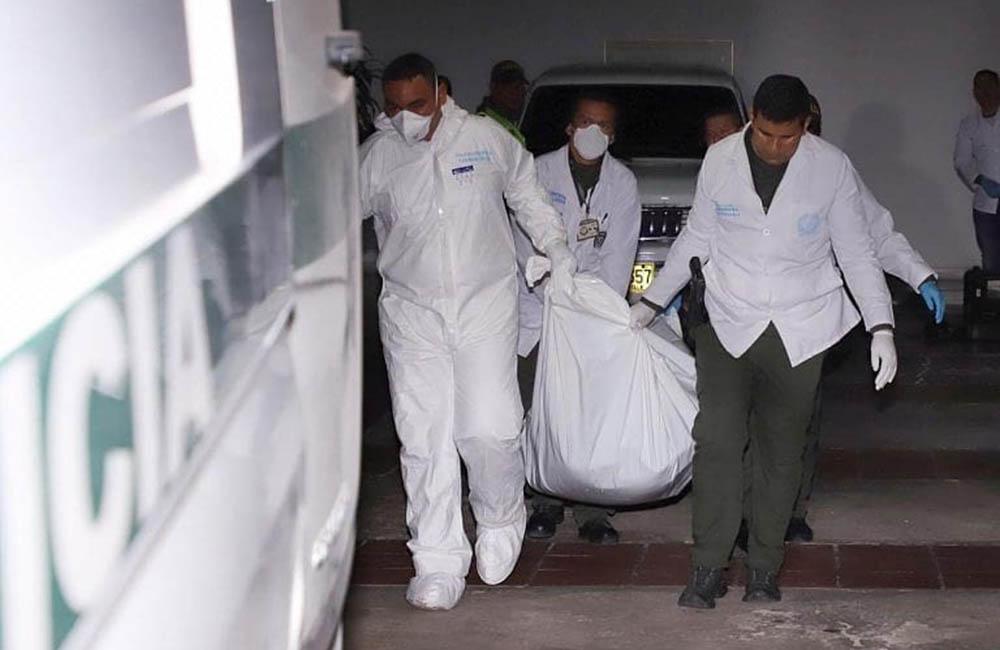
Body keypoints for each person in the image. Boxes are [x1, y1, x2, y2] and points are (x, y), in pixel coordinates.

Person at [630, 75, 898, 608]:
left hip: (801, 325)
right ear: (752, 116)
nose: (775, 147)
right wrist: (652, 300)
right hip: (728, 320)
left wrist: (881, 326)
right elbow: (697, 236)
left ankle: (763, 568)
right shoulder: (720, 159)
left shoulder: (831, 167)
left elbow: (857, 252)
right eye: (766, 135)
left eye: (788, 138)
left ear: (806, 125)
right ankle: (708, 567)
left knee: (781, 452)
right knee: (717, 443)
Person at [359, 53, 575, 611]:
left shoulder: (484, 139)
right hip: (411, 314)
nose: (405, 117)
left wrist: (554, 245)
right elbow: (330, 222)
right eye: (393, 107)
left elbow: (526, 192)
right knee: (423, 437)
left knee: (488, 426)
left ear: (441, 93)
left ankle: (500, 518)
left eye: (416, 104)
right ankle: (436, 559)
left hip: (485, 306)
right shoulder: (378, 157)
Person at [737, 93, 946, 549]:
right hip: (750, 315)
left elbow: (877, 233)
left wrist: (919, 275)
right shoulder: (742, 167)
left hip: (811, 320)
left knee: (801, 419)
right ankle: (748, 512)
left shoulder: (833, 170)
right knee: (751, 418)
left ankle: (791, 510)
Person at [515, 90, 641, 545]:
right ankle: (544, 501)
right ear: (569, 128)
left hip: (592, 313)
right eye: (586, 122)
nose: (593, 132)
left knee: (591, 411)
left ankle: (593, 508)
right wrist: (558, 291)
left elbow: (619, 258)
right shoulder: (535, 172)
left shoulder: (622, 183)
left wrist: (587, 305)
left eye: (603, 126)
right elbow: (523, 245)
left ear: (613, 135)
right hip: (538, 308)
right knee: (542, 410)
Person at [955, 69, 1000, 272]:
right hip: (986, 204)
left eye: (989, 85)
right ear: (974, 92)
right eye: (979, 87)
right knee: (991, 258)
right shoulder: (969, 124)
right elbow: (961, 160)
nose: (985, 92)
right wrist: (980, 179)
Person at [476, 60, 530, 146]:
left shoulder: (526, 121)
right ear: (493, 87)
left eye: (520, 86)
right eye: (508, 87)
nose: (516, 93)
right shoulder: (484, 124)